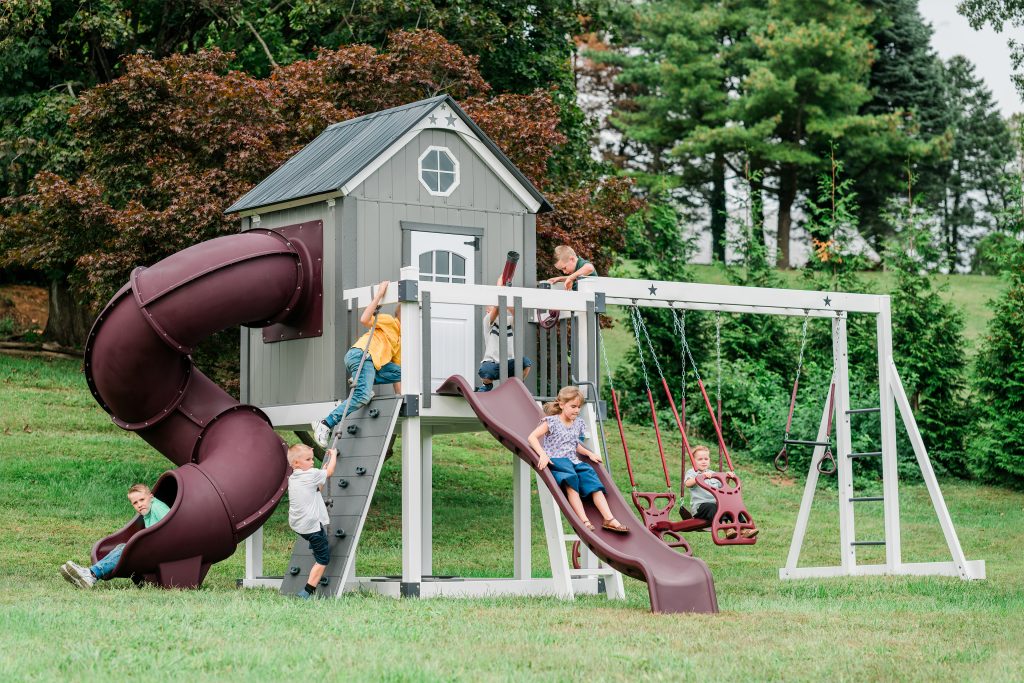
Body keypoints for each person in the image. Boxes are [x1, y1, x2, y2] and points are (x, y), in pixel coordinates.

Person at [528, 386, 629, 533]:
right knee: (571, 481)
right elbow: (532, 437)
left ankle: (609, 519)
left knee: (592, 480)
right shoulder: (551, 421)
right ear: (562, 404)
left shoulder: (578, 423)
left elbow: (574, 445)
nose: (576, 410)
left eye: (579, 407)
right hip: (557, 460)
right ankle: (584, 520)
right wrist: (542, 454)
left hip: (573, 460)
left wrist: (588, 453)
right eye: (573, 406)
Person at [312, 279, 400, 447]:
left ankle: (362, 382)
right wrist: (379, 296)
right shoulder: (390, 322)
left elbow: (397, 375)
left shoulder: (400, 340)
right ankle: (325, 423)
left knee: (405, 371)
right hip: (361, 355)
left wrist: (400, 398)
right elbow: (365, 319)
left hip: (371, 364)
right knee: (362, 396)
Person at [59, 483, 171, 588]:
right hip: (156, 546)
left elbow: (171, 523)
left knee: (125, 548)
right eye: (135, 503)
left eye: (142, 500)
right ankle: (91, 574)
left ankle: (91, 574)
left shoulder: (157, 507)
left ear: (151, 497)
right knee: (121, 547)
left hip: (164, 548)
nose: (139, 505)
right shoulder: (148, 511)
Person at [287, 443, 338, 599]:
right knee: (323, 559)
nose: (312, 462)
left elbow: (316, 488)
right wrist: (334, 455)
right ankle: (307, 592)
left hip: (297, 525)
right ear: (296, 463)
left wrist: (319, 471)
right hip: (311, 527)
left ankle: (312, 540)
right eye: (308, 459)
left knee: (314, 538)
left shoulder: (293, 478)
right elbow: (329, 472)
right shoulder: (311, 474)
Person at [684, 444, 759, 539]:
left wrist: (727, 477)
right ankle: (727, 529)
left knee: (732, 506)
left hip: (717, 505)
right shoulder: (692, 473)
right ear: (693, 461)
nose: (703, 461)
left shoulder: (713, 474)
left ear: (709, 460)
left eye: (706, 459)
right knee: (713, 507)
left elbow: (722, 487)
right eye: (700, 459)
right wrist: (699, 478)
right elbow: (688, 483)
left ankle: (744, 529)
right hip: (701, 508)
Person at [476, 271, 533, 392]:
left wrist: (505, 292)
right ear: (487, 310)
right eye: (492, 305)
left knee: (526, 362)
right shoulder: (488, 321)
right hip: (492, 363)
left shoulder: (509, 320)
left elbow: (516, 313)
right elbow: (497, 308)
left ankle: (517, 384)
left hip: (509, 363)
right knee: (484, 371)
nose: (496, 305)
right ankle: (487, 385)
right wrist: (500, 290)